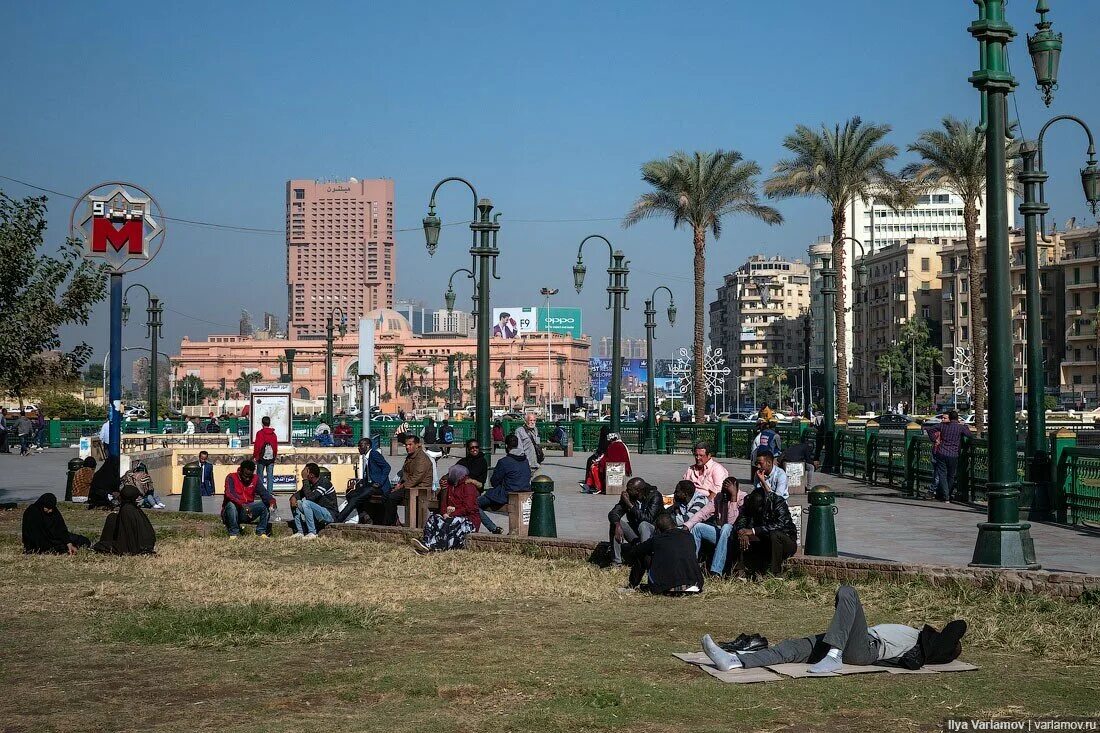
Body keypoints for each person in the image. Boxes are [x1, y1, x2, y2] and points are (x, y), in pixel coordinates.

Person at [701, 586, 949, 675]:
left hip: (866, 649)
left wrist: (946, 640)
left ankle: (833, 657)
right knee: (790, 648)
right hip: (850, 640)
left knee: (848, 592)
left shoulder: (925, 641)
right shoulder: (913, 635)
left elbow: (957, 628)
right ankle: (734, 661)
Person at [625, 512, 704, 594]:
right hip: (695, 585)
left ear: (658, 529)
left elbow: (635, 552)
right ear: (675, 525)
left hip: (667, 587)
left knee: (643, 554)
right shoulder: (689, 536)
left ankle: (632, 585)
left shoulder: (657, 540)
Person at [684, 476, 747, 575]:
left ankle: (716, 571)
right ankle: (691, 566)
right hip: (721, 533)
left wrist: (733, 498)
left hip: (734, 535)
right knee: (697, 527)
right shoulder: (719, 496)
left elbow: (732, 522)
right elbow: (703, 513)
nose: (725, 494)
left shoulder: (743, 497)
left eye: (728, 491)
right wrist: (688, 525)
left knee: (726, 527)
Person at [731, 483, 798, 577]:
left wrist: (754, 531)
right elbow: (741, 519)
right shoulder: (749, 501)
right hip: (763, 540)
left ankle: (776, 573)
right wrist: (743, 532)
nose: (758, 510)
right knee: (738, 533)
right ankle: (739, 572)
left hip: (785, 541)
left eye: (759, 507)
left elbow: (781, 524)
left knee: (775, 534)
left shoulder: (778, 502)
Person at [411, 464, 481, 553]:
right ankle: (426, 542)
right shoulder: (450, 486)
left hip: (469, 520)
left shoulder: (468, 487)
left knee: (451, 522)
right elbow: (444, 503)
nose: (449, 475)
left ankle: (436, 547)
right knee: (433, 518)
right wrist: (444, 513)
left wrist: (452, 513)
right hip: (450, 515)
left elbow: (469, 508)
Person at [479, 433, 532, 534]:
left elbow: (494, 482)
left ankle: (493, 528)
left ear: (506, 446)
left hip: (507, 494)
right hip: (525, 493)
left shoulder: (504, 461)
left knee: (473, 504)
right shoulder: (525, 460)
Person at [607, 477, 664, 567]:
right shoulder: (629, 497)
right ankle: (616, 562)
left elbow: (648, 518)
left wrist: (630, 505)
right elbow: (614, 512)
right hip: (635, 534)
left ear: (638, 491)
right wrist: (617, 525)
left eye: (629, 489)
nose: (626, 491)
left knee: (643, 525)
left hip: (652, 535)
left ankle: (644, 560)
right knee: (616, 522)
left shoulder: (655, 496)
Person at [335, 436, 392, 523]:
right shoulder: (365, 457)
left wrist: (379, 482)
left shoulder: (374, 454)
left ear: (368, 446)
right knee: (350, 494)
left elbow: (387, 467)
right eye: (358, 446)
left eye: (361, 446)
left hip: (379, 487)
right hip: (370, 485)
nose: (359, 448)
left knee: (356, 499)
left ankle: (338, 519)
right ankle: (364, 515)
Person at [92, 483, 157, 555]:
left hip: (134, 547)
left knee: (100, 546)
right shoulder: (135, 509)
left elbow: (127, 537)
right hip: (145, 545)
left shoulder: (126, 510)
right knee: (113, 517)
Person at [925, 410, 971, 502]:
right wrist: (965, 425)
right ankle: (948, 494)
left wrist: (935, 440)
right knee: (951, 475)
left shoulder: (942, 426)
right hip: (953, 454)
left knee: (942, 474)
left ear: (949, 418)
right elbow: (969, 435)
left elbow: (930, 430)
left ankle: (945, 496)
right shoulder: (960, 427)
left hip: (942, 453)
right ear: (957, 418)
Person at [22, 493, 90, 554]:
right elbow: (34, 537)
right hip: (40, 542)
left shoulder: (53, 511)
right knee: (57, 548)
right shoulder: (32, 512)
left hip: (54, 537)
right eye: (48, 508)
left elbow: (61, 528)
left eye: (52, 508)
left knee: (83, 540)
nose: (50, 510)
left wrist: (68, 543)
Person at [222, 459, 274, 538]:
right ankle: (234, 533)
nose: (247, 479)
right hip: (233, 511)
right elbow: (229, 494)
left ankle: (261, 532)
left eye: (249, 476)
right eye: (245, 476)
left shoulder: (255, 479)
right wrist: (242, 504)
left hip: (247, 512)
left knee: (265, 504)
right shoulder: (231, 477)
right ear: (240, 471)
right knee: (231, 504)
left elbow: (264, 493)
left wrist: (272, 501)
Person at [389, 435, 433, 526]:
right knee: (385, 494)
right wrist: (399, 484)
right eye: (406, 445)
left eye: (410, 444)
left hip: (420, 488)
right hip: (409, 486)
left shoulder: (421, 458)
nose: (407, 447)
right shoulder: (411, 456)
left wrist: (401, 486)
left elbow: (416, 478)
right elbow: (405, 474)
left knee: (391, 498)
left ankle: (391, 523)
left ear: (417, 445)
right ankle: (393, 521)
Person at [290, 462, 338, 538]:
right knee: (296, 502)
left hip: (329, 514)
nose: (303, 473)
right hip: (318, 513)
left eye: (306, 472)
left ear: (311, 475)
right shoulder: (310, 483)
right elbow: (300, 494)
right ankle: (300, 532)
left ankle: (312, 533)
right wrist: (293, 497)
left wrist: (305, 479)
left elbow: (310, 498)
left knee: (306, 503)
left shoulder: (324, 483)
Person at [583, 425, 612, 493]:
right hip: (601, 455)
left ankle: (592, 484)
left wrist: (597, 459)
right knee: (590, 460)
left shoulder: (606, 440)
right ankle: (588, 483)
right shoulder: (605, 438)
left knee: (592, 463)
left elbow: (604, 451)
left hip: (603, 457)